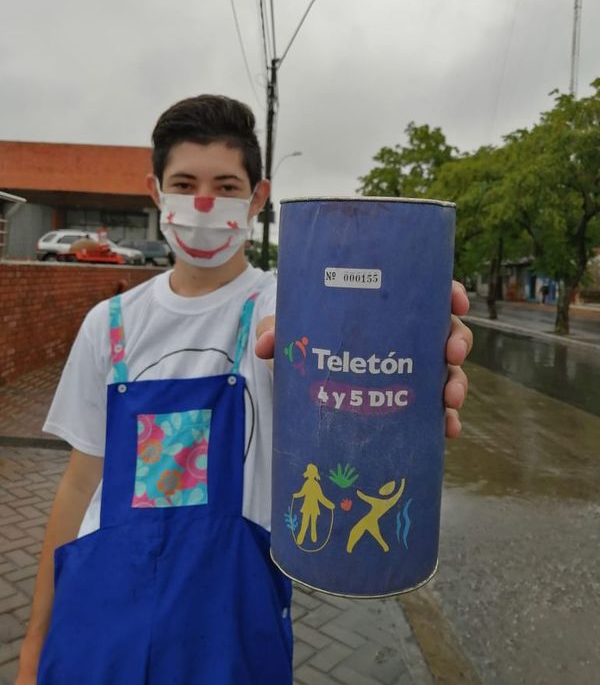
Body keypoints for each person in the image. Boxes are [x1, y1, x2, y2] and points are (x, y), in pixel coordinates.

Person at [16, 94, 473, 685]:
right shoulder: (110, 324)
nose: (203, 204)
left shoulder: (292, 307)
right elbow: (80, 483)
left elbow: (350, 333)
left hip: (232, 627)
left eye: (227, 186)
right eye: (184, 183)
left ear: (258, 198)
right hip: (98, 624)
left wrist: (404, 344)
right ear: (155, 192)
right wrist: (34, 642)